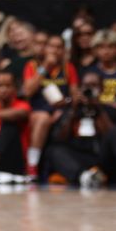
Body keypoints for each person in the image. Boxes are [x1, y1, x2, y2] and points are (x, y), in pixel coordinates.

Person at [46, 70, 116, 188]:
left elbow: (112, 135)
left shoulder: (108, 110)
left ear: (101, 89)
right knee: (54, 150)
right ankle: (85, 177)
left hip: (103, 157)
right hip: (78, 156)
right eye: (86, 86)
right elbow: (60, 137)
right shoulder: (71, 109)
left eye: (94, 86)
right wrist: (73, 110)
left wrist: (98, 108)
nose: (89, 90)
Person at [21, 34, 77, 176]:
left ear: (64, 51)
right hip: (38, 110)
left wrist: (66, 103)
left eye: (59, 47)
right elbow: (28, 91)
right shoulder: (32, 66)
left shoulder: (68, 68)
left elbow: (75, 95)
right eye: (51, 46)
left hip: (61, 109)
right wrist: (46, 66)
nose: (55, 50)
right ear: (45, 48)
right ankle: (32, 166)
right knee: (43, 118)